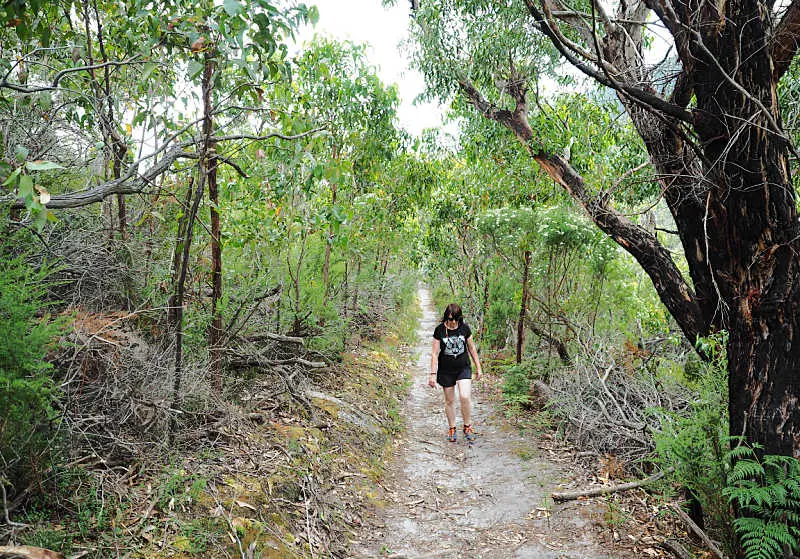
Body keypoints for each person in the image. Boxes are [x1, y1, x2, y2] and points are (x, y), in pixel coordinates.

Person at [429, 303, 483, 442]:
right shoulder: (439, 330)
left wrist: (478, 367)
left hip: (463, 367)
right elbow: (435, 354)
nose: (452, 322)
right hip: (446, 370)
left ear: (459, 318)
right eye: (450, 319)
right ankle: (452, 428)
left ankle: (467, 426)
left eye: (455, 319)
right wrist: (432, 374)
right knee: (450, 400)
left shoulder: (464, 329)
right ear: (446, 317)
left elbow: (472, 349)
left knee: (465, 396)